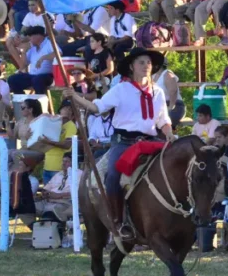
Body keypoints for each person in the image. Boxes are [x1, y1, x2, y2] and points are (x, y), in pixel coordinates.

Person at [63, 47, 174, 241]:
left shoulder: (158, 91)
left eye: (148, 62)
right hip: (124, 142)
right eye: (141, 62)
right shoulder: (121, 89)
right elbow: (97, 107)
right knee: (113, 176)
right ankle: (118, 221)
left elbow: (163, 120)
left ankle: (174, 216)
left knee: (175, 167)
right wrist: (75, 97)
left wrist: (170, 134)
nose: (146, 66)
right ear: (131, 67)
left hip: (151, 141)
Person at [7, 26, 60, 95]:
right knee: (12, 79)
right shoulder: (32, 47)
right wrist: (24, 52)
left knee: (37, 80)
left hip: (47, 76)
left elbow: (58, 53)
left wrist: (43, 58)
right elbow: (23, 65)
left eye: (30, 36)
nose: (29, 39)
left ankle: (39, 101)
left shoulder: (49, 43)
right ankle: (23, 100)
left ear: (38, 36)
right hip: (32, 76)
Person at [36, 151, 81, 222]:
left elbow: (79, 192)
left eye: (67, 161)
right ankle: (35, 227)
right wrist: (45, 193)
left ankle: (55, 229)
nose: (63, 163)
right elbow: (47, 188)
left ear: (74, 162)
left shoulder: (79, 174)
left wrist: (59, 195)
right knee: (29, 208)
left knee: (51, 211)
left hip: (65, 202)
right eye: (63, 161)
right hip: (48, 200)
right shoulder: (58, 174)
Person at [41, 102, 77, 184]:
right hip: (47, 166)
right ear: (60, 110)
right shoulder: (51, 123)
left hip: (59, 168)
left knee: (56, 192)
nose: (68, 111)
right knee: (46, 194)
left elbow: (67, 145)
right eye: (65, 108)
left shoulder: (71, 125)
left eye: (70, 109)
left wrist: (49, 142)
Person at [152, 61, 186, 129]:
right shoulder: (153, 76)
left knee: (164, 119)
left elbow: (173, 91)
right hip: (160, 106)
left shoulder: (168, 74)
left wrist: (171, 107)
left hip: (174, 105)